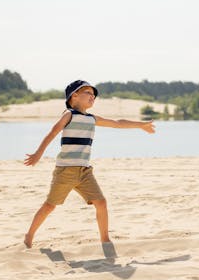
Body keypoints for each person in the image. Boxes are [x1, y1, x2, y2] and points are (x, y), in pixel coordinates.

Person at [23, 80, 155, 248]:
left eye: (94, 95)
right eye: (88, 93)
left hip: (85, 172)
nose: (92, 96)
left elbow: (117, 123)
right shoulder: (69, 115)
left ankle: (105, 239)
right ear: (75, 96)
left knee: (101, 202)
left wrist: (141, 125)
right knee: (50, 206)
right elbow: (53, 132)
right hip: (66, 171)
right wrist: (38, 154)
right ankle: (29, 236)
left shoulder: (91, 119)